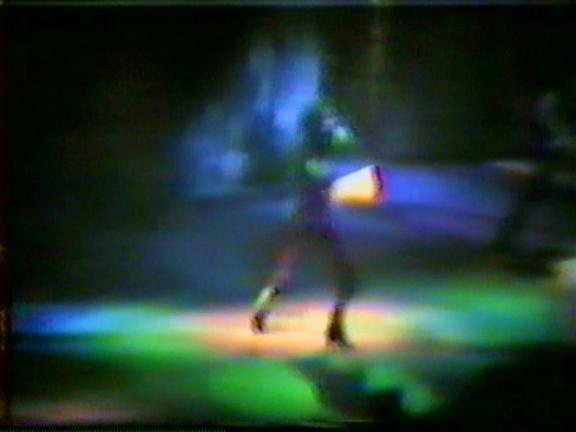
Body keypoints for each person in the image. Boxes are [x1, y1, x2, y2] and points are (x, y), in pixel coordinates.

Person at [250, 100, 358, 349]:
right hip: (308, 222)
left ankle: (333, 329)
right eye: (325, 123)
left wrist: (338, 130)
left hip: (312, 221)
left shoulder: (315, 152)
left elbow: (346, 146)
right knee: (291, 274)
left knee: (337, 277)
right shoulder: (306, 156)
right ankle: (264, 313)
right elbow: (318, 176)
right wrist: (336, 134)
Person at [491, 87, 576, 255]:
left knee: (536, 200)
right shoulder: (544, 118)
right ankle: (506, 242)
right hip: (548, 169)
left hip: (553, 168)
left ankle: (507, 242)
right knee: (532, 200)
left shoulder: (552, 116)